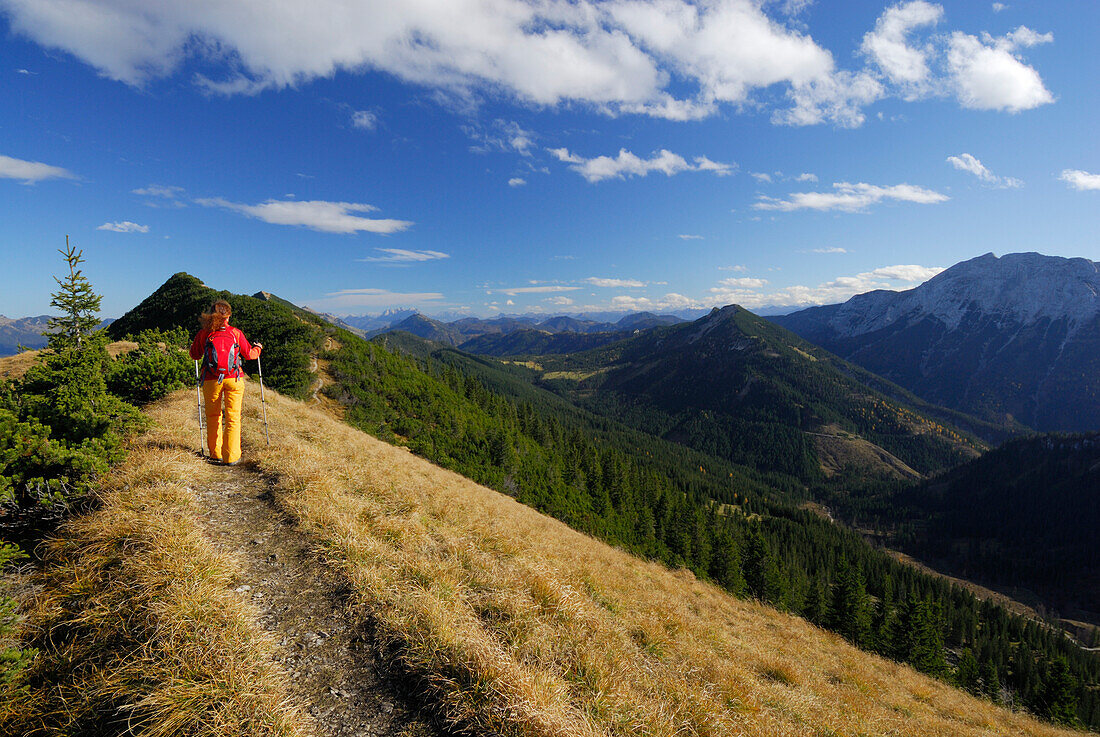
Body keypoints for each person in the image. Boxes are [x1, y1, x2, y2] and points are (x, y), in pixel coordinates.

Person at [189, 299, 262, 465]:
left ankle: (215, 454)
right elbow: (250, 354)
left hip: (211, 379)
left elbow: (194, 355)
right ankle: (231, 456)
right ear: (228, 316)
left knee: (213, 416)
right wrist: (258, 348)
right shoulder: (236, 333)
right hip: (234, 379)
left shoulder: (204, 333)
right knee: (233, 418)